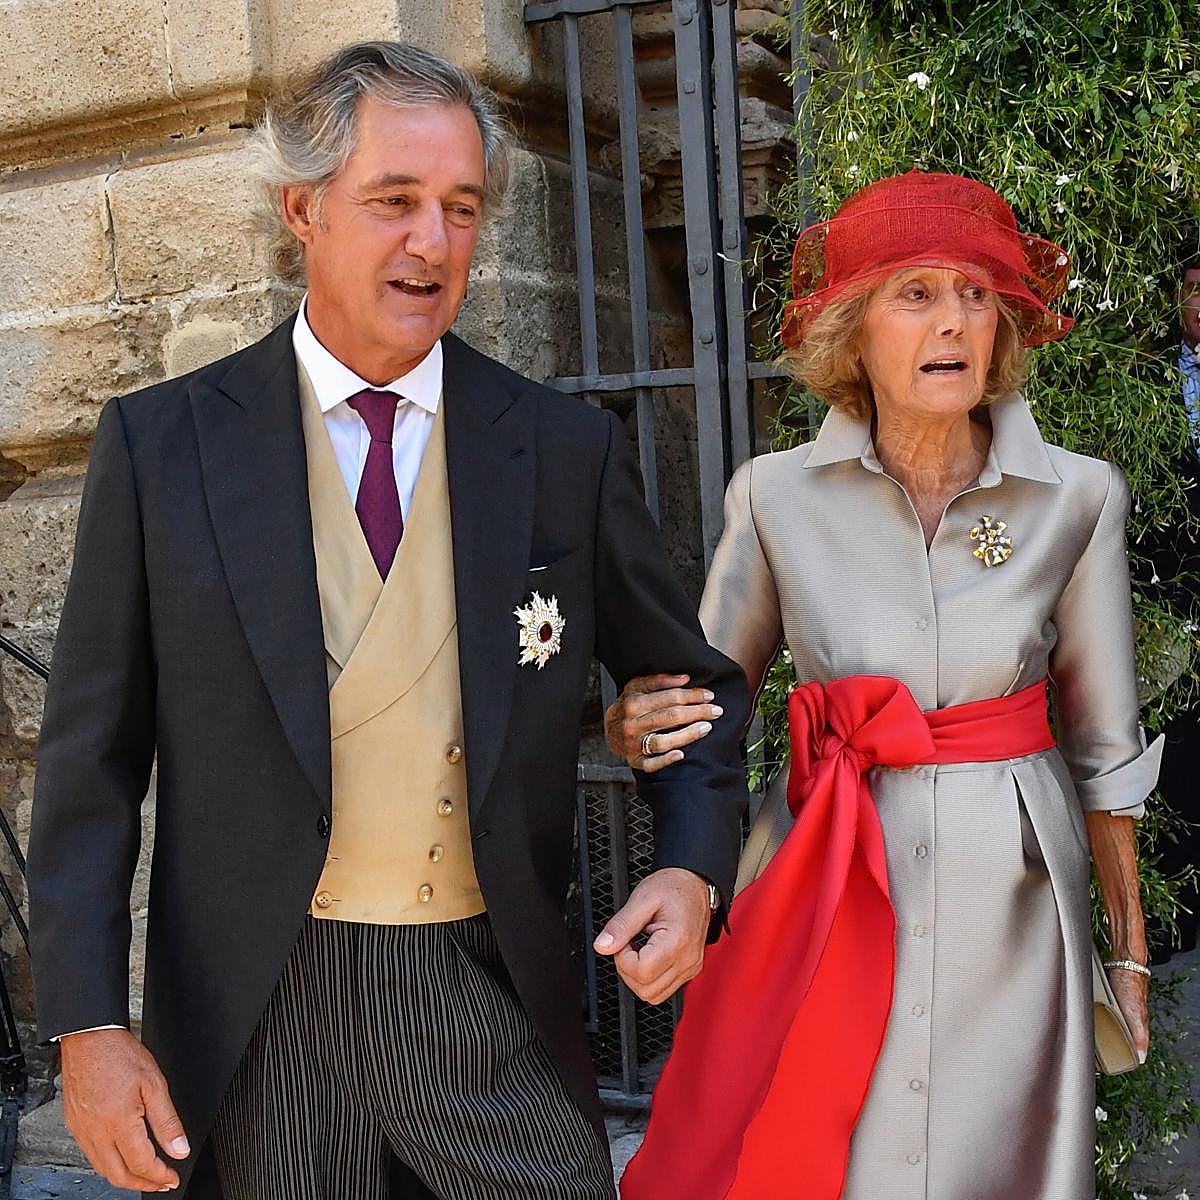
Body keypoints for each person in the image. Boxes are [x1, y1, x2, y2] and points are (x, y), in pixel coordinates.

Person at [26, 42, 749, 1200]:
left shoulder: (559, 451)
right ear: (302, 210)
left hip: (485, 995)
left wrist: (691, 871)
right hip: (263, 1015)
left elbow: (694, 694)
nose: (432, 242)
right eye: (395, 201)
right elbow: (88, 771)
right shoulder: (163, 448)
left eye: (461, 208)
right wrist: (87, 1029)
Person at [606, 171, 1161, 1200]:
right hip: (827, 888)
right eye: (915, 293)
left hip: (1016, 907)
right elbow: (706, 698)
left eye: (977, 294)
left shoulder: (1078, 496)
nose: (954, 321)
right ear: (852, 332)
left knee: (999, 1165)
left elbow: (1104, 749)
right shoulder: (774, 498)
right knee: (826, 1154)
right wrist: (633, 721)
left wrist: (1125, 957)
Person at [1144, 252, 1200, 962]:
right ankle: (1179, 914)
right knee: (1178, 740)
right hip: (1172, 589)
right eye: (1193, 290)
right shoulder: (1147, 379)